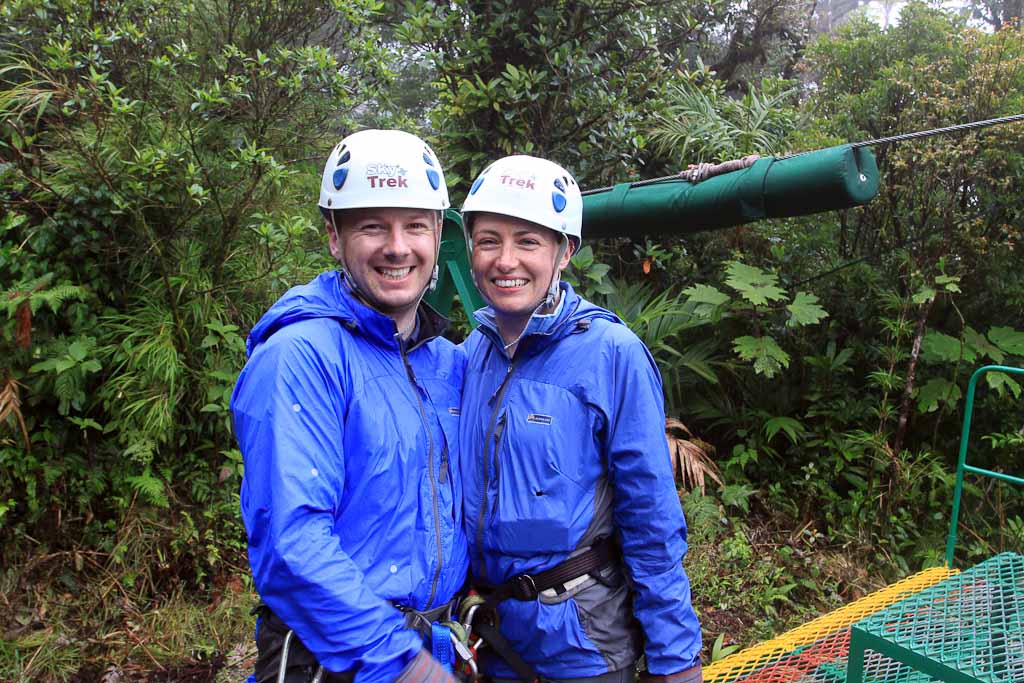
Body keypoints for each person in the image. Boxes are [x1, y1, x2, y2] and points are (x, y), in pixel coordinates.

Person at [231, 129, 469, 683]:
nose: (397, 246)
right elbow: (293, 545)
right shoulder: (300, 356)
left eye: (414, 225)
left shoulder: (447, 363)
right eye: (371, 226)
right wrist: (406, 665)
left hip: (436, 643)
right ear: (335, 238)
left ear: (438, 234)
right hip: (335, 658)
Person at [457, 156, 703, 683]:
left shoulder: (611, 355)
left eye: (528, 241)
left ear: (563, 251)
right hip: (491, 638)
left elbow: (651, 516)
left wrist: (675, 658)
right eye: (489, 240)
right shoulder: (467, 357)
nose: (506, 260)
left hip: (581, 647)